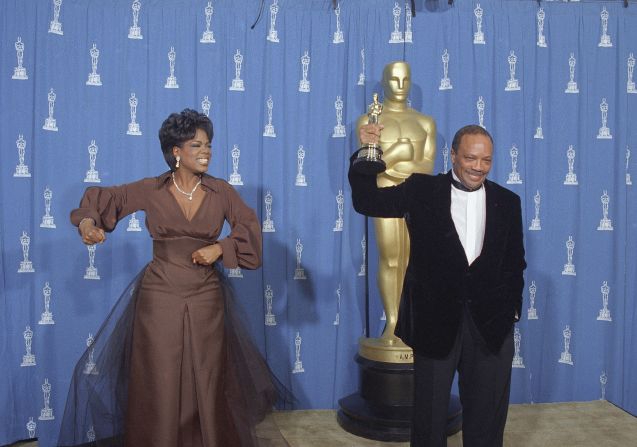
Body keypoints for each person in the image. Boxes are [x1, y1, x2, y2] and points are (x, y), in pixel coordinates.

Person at [58, 109, 278, 447]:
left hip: (207, 297)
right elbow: (104, 199)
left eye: (208, 145)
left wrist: (219, 248)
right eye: (196, 145)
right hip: (158, 296)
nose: (206, 151)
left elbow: (249, 228)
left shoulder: (222, 192)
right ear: (176, 151)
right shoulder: (151, 189)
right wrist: (88, 225)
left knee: (205, 377)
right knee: (159, 379)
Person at [350, 124, 526, 447]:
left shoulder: (508, 201)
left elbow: (516, 262)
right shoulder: (422, 190)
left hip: (491, 328)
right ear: (453, 155)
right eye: (471, 158)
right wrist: (367, 153)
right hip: (434, 324)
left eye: (486, 160)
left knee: (487, 423)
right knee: (429, 422)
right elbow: (367, 201)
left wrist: (512, 310)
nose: (478, 167)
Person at [355, 61, 436, 356]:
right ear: (384, 82)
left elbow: (427, 166)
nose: (400, 86)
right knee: (390, 258)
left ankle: (410, 322)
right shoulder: (369, 120)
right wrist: (401, 154)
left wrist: (390, 163)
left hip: (416, 198)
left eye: (405, 80)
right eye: (394, 80)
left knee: (414, 260)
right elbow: (368, 164)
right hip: (384, 199)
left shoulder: (425, 122)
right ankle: (392, 322)